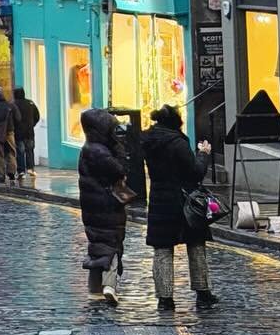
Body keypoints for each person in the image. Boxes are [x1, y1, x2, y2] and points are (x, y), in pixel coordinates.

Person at [142, 104, 217, 311]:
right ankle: (203, 293)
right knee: (195, 245)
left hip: (159, 200)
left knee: (162, 249)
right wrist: (203, 154)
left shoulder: (148, 141)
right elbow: (194, 173)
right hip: (185, 202)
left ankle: (165, 299)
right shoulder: (178, 143)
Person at [78, 108, 129, 305]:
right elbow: (119, 170)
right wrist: (120, 147)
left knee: (97, 246)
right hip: (107, 205)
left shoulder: (88, 148)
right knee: (112, 244)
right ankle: (109, 285)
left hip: (91, 206)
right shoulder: (101, 152)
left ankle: (94, 290)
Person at [12, 86, 40, 176]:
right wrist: (32, 124)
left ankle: (21, 170)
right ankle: (30, 168)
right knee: (30, 150)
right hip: (29, 132)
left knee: (20, 151)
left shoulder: (13, 104)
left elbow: (11, 118)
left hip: (18, 132)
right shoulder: (30, 103)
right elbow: (37, 116)